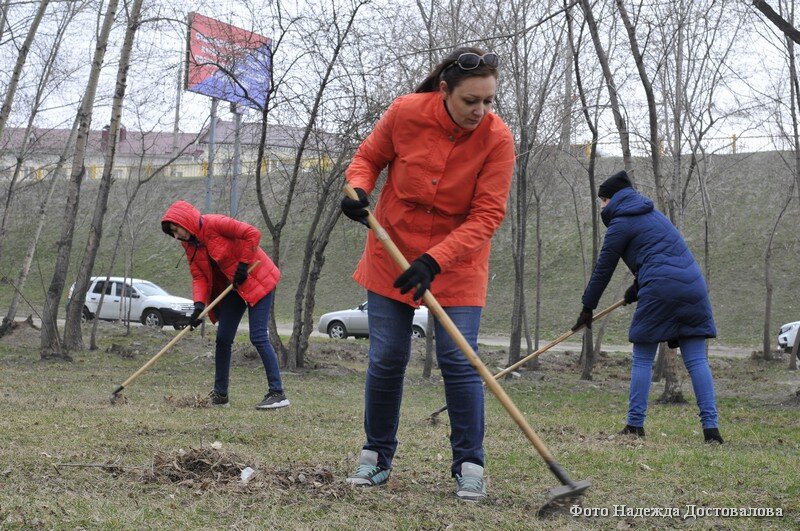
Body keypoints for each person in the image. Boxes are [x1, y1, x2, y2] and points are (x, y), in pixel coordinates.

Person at [339, 47, 515, 500]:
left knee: (460, 362)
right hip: (392, 255)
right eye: (470, 101)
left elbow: (487, 215)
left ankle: (470, 465)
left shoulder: (497, 139)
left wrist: (436, 260)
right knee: (387, 358)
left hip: (456, 265)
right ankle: (376, 457)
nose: (481, 111)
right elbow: (367, 159)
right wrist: (358, 189)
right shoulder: (404, 112)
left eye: (488, 101)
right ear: (444, 92)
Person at [572, 170, 723, 444]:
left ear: (612, 199)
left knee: (642, 357)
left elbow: (603, 268)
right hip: (693, 286)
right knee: (697, 360)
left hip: (661, 286)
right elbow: (663, 256)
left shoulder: (621, 222)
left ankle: (634, 426)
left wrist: (587, 307)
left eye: (602, 201)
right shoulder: (654, 216)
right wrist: (637, 287)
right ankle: (711, 431)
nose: (601, 207)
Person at [161, 200, 289, 410]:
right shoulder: (190, 245)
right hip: (234, 289)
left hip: (257, 278)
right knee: (223, 339)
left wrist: (243, 265)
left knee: (258, 336)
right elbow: (199, 277)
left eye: (177, 230)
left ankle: (277, 393)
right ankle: (221, 395)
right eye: (173, 233)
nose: (176, 236)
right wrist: (198, 307)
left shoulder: (215, 223)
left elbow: (252, 233)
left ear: (186, 222)